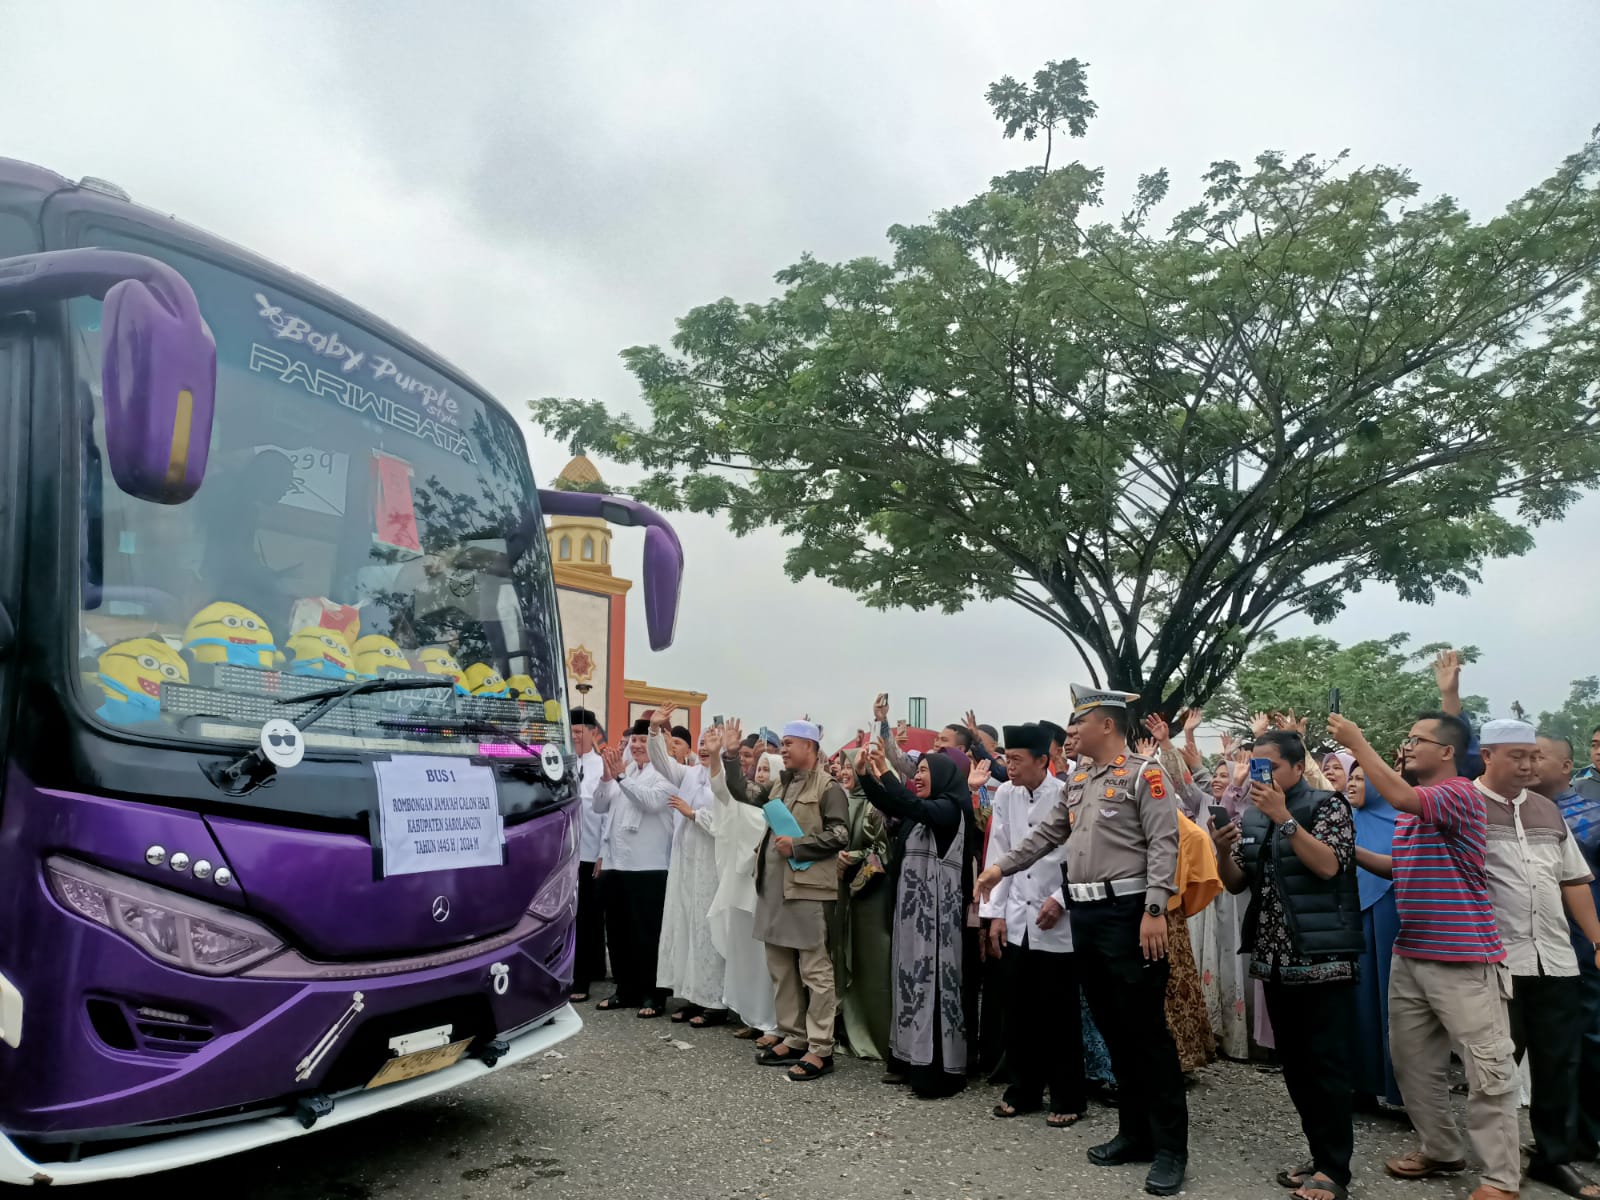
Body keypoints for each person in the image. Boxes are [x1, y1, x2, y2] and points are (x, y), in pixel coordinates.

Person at [976, 685, 1187, 1197]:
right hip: (1088, 916)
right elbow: (1046, 835)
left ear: (1107, 725)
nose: (1072, 733)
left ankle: (1169, 1149)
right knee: (1116, 1031)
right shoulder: (1079, 781)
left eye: (1080, 723)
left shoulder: (1145, 775)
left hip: (1131, 913)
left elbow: (1165, 844)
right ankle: (1133, 1134)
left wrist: (1155, 909)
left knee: (1147, 1034)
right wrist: (1000, 869)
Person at [1328, 709, 1520, 1200]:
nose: (1408, 746)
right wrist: (1348, 850)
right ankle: (1442, 1148)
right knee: (1413, 1062)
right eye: (1407, 738)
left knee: (1487, 1066)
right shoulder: (1416, 815)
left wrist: (1356, 740)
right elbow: (1401, 867)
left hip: (1463, 957)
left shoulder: (1457, 795)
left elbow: (1398, 793)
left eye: (1418, 740)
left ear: (1448, 751)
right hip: (1411, 952)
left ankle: (1501, 1177)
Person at [1213, 729, 1362, 1200]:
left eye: (1271, 767)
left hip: (1322, 958)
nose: (1263, 776)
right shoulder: (1253, 814)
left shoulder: (1327, 806)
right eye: (1256, 767)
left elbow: (1330, 866)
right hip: (1273, 959)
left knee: (1326, 1066)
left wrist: (1285, 818)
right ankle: (1320, 1158)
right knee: (1296, 1067)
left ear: (1297, 767)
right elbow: (1237, 883)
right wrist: (1221, 847)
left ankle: (1336, 1172)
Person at [1473, 720, 1600, 1199]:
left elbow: (1574, 880)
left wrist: (1596, 938)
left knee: (1558, 1063)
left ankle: (1554, 1159)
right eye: (1516, 756)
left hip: (1557, 959)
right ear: (1487, 755)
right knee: (1497, 1067)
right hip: (1497, 960)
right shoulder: (1466, 805)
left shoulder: (1548, 810)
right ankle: (1497, 1164)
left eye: (1532, 756)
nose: (1527, 765)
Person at [720, 718, 849, 1082]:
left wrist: (800, 845)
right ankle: (793, 1036)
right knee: (780, 967)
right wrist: (730, 757)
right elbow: (743, 792)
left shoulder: (829, 787)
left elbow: (840, 835)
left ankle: (821, 1048)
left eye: (792, 743)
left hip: (808, 891)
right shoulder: (780, 783)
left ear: (811, 748)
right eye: (785, 743)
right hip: (774, 889)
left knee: (814, 971)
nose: (785, 749)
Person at [979, 722, 1085, 1126]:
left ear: (1043, 760)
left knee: (1058, 1011)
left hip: (1058, 916)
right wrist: (995, 915)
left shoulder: (1066, 794)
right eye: (1007, 758)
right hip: (1018, 915)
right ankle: (1022, 1090)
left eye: (1018, 760)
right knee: (1019, 1008)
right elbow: (1001, 852)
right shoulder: (1005, 794)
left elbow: (1080, 853)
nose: (1010, 766)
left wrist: (1062, 899)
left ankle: (1068, 1096)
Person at [859, 742, 974, 1098]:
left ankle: (937, 1072)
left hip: (940, 925)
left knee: (935, 987)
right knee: (909, 983)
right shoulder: (919, 814)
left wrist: (888, 773)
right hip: (912, 919)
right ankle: (907, 1060)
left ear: (941, 777)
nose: (919, 776)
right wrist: (865, 775)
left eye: (924, 771)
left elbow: (908, 802)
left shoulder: (950, 810)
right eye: (918, 769)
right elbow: (894, 804)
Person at [1537, 731, 1600, 1163]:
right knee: (1553, 1047)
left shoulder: (1592, 815)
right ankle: (1559, 1139)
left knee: (1592, 1042)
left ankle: (1588, 1135)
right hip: (1540, 945)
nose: (1527, 763)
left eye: (1536, 756)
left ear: (1565, 766)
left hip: (1588, 945)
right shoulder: (1516, 813)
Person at [591, 721, 676, 1018]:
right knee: (618, 932)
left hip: (649, 866)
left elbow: (651, 802)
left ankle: (653, 994)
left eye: (643, 740)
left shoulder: (667, 772)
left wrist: (621, 776)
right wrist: (606, 778)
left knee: (647, 934)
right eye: (634, 740)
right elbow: (601, 808)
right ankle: (625, 990)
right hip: (616, 863)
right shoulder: (623, 770)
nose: (637, 745)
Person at [650, 720, 728, 1027]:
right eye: (704, 741)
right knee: (685, 924)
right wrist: (654, 731)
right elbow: (661, 761)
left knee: (707, 929)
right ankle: (692, 997)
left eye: (713, 742)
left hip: (711, 861)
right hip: (685, 861)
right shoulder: (690, 773)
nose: (706, 747)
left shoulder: (724, 779)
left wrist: (694, 814)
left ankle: (715, 1002)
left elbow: (726, 820)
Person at [705, 741, 780, 1040]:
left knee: (766, 960)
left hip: (761, 888)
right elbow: (719, 787)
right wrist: (714, 756)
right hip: (737, 887)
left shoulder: (777, 807)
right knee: (743, 956)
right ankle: (751, 1015)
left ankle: (773, 1023)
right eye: (758, 768)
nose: (761, 774)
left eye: (767, 769)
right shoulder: (743, 799)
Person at [1346, 763, 1404, 1109]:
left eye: (1360, 779)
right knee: (1358, 1002)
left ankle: (1402, 1092)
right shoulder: (1342, 818)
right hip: (1353, 913)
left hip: (1389, 914)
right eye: (1350, 778)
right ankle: (1361, 1086)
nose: (1352, 785)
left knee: (1392, 1002)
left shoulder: (1402, 820)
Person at [832, 756, 894, 1062]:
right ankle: (845, 1029)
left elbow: (886, 848)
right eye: (843, 767)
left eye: (851, 768)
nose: (845, 772)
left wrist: (854, 855)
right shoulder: (841, 801)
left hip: (869, 895)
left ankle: (875, 1035)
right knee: (841, 953)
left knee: (870, 961)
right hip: (843, 890)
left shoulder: (874, 805)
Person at [569, 707, 608, 1004]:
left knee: (587, 917)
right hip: (565, 853)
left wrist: (604, 852)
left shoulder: (600, 766)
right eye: (570, 731)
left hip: (591, 850)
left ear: (594, 733)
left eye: (579, 732)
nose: (573, 736)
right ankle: (575, 969)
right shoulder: (564, 763)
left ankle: (583, 978)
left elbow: (609, 812)